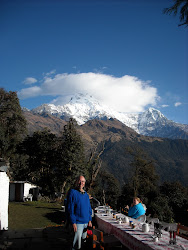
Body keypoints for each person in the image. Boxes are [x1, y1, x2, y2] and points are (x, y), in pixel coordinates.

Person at [67, 175, 92, 250]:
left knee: (83, 243)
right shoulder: (72, 192)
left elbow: (88, 208)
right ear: (76, 182)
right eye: (79, 181)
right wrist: (73, 223)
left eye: (83, 181)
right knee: (76, 245)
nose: (81, 183)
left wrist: (89, 219)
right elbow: (70, 209)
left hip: (85, 223)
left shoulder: (86, 195)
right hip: (78, 223)